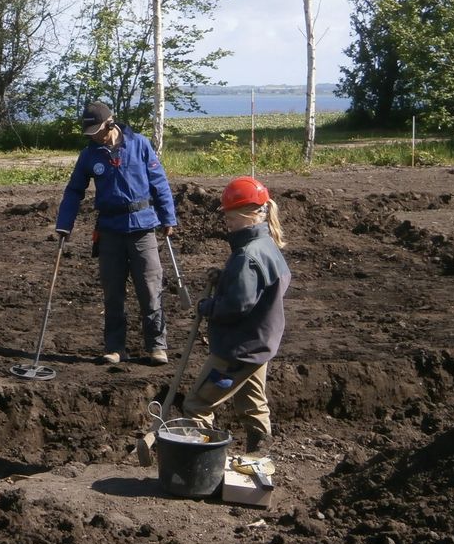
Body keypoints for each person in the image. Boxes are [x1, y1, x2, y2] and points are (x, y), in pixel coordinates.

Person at [54, 101, 178, 365]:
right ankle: (115, 347)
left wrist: (168, 217)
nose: (94, 137)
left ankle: (156, 345)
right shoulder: (89, 155)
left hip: (143, 229)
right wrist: (65, 224)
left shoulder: (140, 145)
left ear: (110, 124)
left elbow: (159, 183)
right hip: (110, 231)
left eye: (97, 131)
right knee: (113, 292)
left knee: (150, 287)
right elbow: (74, 191)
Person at [182, 176, 290, 461]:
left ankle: (199, 466)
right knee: (253, 405)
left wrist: (208, 306)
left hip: (237, 350)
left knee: (197, 405)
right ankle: (260, 460)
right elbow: (255, 290)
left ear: (246, 214)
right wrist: (224, 280)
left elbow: (237, 305)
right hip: (259, 345)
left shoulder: (248, 256)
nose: (226, 221)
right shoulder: (267, 246)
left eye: (230, 216)